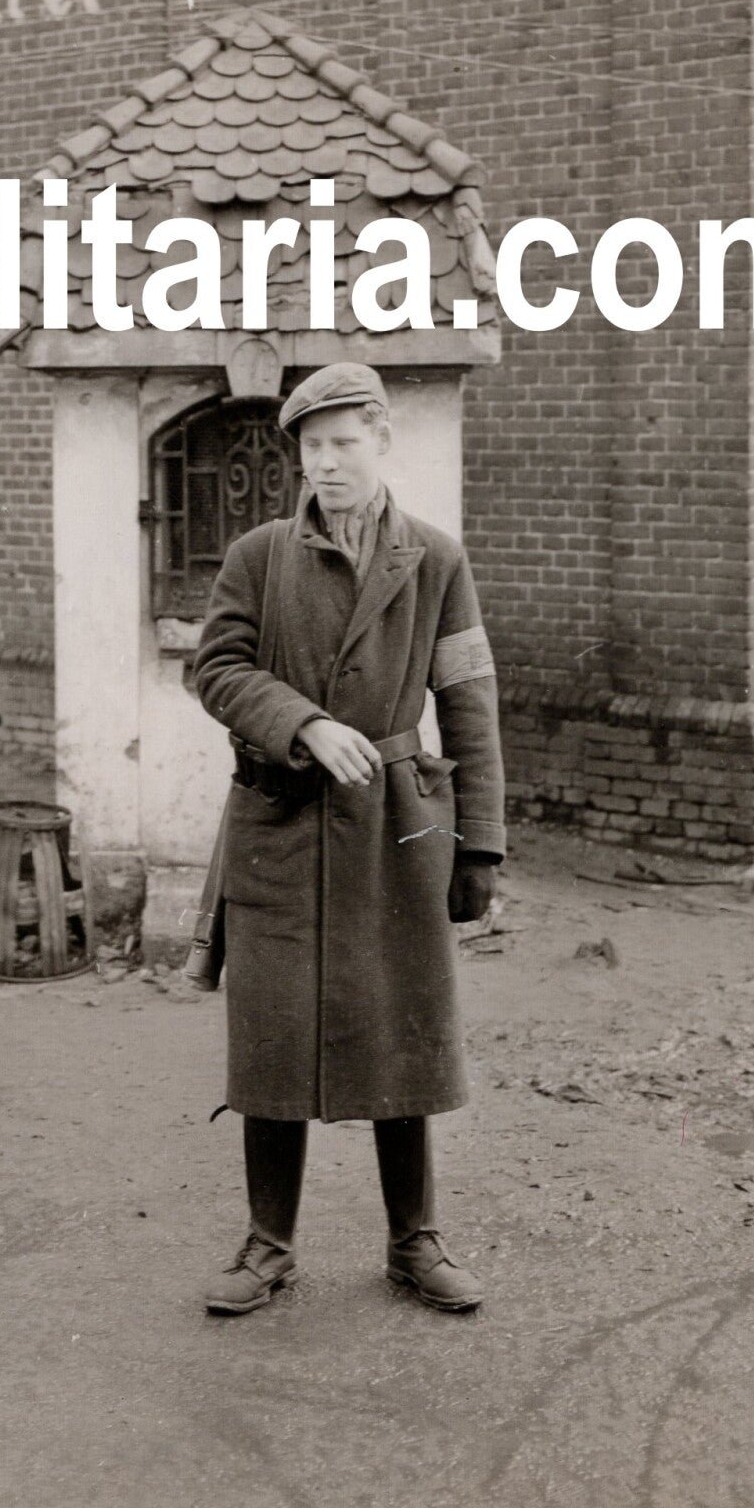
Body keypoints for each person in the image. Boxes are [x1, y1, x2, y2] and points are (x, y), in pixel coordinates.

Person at [189, 361, 506, 1316]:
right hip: (276, 822)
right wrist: (303, 723)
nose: (326, 464)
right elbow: (215, 668)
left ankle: (414, 1242)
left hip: (395, 830)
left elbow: (468, 703)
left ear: (380, 442)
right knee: (272, 1038)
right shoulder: (258, 557)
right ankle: (266, 1244)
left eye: (342, 444)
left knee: (400, 1030)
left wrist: (480, 841)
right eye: (310, 447)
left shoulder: (437, 562)